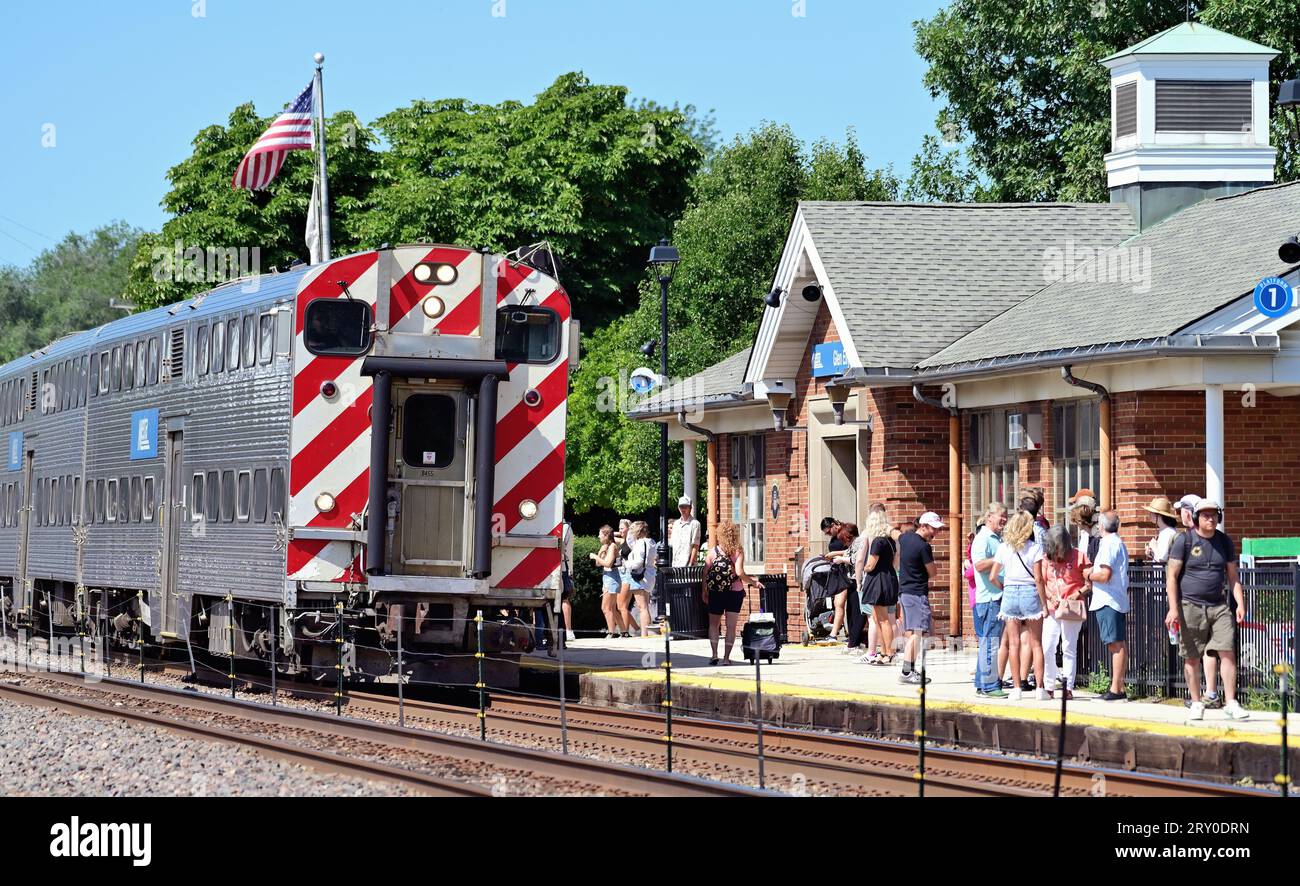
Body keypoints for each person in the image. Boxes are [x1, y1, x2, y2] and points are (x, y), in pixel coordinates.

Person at [1165, 501, 1251, 722]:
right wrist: (1173, 608)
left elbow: (1233, 577)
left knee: (1227, 651)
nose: (1210, 519)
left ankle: (1231, 702)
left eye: (1214, 515)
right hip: (1190, 606)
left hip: (1219, 606)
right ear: (1196, 518)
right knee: (1192, 656)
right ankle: (1196, 702)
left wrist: (1240, 603)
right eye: (1205, 516)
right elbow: (1172, 577)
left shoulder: (1224, 542)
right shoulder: (1184, 541)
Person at [988, 511, 1048, 700]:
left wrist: (1004, 587)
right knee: (1036, 643)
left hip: (1010, 592)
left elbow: (992, 576)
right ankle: (1039, 689)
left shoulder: (1004, 548)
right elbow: (1038, 578)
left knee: (1012, 644)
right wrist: (1044, 604)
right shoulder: (1034, 548)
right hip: (1029, 592)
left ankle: (1016, 689)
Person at [1174, 493, 1221, 708]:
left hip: (1194, 602)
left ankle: (1206, 694)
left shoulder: (1187, 538)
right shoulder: (1186, 538)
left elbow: (1173, 574)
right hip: (1198, 600)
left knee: (1199, 650)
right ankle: (1207, 694)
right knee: (1204, 650)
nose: (1181, 514)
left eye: (1183, 509)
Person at [702, 521, 761, 665]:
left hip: (716, 592)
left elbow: (705, 572)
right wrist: (753, 582)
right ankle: (726, 658)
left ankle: (714, 654)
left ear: (719, 535)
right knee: (731, 626)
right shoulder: (738, 550)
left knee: (713, 625)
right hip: (734, 592)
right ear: (735, 534)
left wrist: (704, 590)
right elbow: (740, 572)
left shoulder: (713, 552)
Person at [1041, 525, 1089, 699]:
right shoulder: (1047, 558)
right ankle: (1049, 684)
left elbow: (1088, 581)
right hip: (1053, 607)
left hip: (1071, 607)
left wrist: (1077, 594)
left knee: (1069, 647)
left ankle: (1067, 687)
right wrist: (1050, 597)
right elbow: (1042, 582)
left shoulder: (1078, 556)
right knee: (1048, 646)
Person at [896, 512, 944, 684]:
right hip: (917, 593)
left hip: (905, 592)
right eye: (933, 529)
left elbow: (893, 533)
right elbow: (933, 572)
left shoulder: (905, 538)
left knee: (912, 633)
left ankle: (910, 670)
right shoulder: (924, 547)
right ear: (923, 526)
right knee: (918, 633)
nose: (936, 533)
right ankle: (907, 671)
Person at [1087, 511, 1129, 701]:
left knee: (1115, 643)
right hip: (1113, 598)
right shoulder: (1115, 542)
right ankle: (1118, 686)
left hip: (1108, 598)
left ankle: (1116, 688)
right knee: (1117, 643)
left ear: (1102, 526)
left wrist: (1088, 575)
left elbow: (1105, 575)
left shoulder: (1109, 544)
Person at [972, 503, 1009, 697]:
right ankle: (990, 686)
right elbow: (978, 565)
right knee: (991, 641)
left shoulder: (996, 538)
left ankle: (981, 682)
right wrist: (1001, 558)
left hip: (993, 596)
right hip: (990, 597)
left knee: (988, 640)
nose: (1004, 520)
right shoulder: (983, 539)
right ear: (989, 517)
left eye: (1006, 516)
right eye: (1001, 516)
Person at [860, 509, 900, 664]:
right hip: (888, 578)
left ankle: (889, 653)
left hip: (879, 581)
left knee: (882, 620)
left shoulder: (878, 541)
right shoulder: (890, 541)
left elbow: (871, 564)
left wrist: (863, 568)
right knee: (878, 619)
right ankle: (883, 652)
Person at [827, 523, 862, 646]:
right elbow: (849, 553)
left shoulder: (859, 542)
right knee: (850, 610)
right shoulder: (853, 544)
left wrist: (840, 559)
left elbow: (856, 560)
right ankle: (852, 639)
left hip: (856, 580)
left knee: (856, 611)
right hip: (850, 580)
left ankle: (854, 641)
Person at [622, 521, 657, 638]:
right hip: (649, 575)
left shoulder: (640, 543)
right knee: (645, 606)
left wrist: (627, 564)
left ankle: (644, 634)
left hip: (640, 576)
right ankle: (646, 632)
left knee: (642, 607)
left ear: (638, 531)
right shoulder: (651, 542)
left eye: (633, 530)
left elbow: (637, 562)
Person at [590, 525, 623, 639]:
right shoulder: (606, 546)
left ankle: (611, 632)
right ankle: (624, 631)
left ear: (606, 535)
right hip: (608, 578)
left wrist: (595, 556)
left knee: (606, 608)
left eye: (600, 534)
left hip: (612, 579)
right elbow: (599, 564)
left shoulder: (613, 546)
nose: (598, 536)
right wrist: (599, 554)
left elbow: (608, 563)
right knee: (612, 608)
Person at [614, 519, 635, 638]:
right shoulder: (623, 540)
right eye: (619, 528)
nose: (620, 530)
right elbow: (609, 535)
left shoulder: (632, 541)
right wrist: (620, 532)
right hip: (621, 573)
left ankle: (625, 632)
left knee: (621, 605)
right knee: (621, 605)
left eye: (622, 528)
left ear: (629, 528)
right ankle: (636, 628)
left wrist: (628, 530)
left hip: (628, 573)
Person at [1143, 497, 1179, 564]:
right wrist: (1151, 553)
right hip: (1159, 573)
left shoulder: (1169, 533)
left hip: (1164, 573)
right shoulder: (1164, 531)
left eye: (1151, 512)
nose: (1149, 515)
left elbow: (1162, 558)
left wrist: (1154, 546)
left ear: (1158, 515)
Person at [669, 496, 702, 568]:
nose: (683, 509)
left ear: (690, 508)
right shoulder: (676, 524)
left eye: (686, 507)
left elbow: (695, 545)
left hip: (688, 566)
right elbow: (672, 544)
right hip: (676, 565)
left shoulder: (695, 524)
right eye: (681, 507)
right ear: (678, 508)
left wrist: (690, 563)